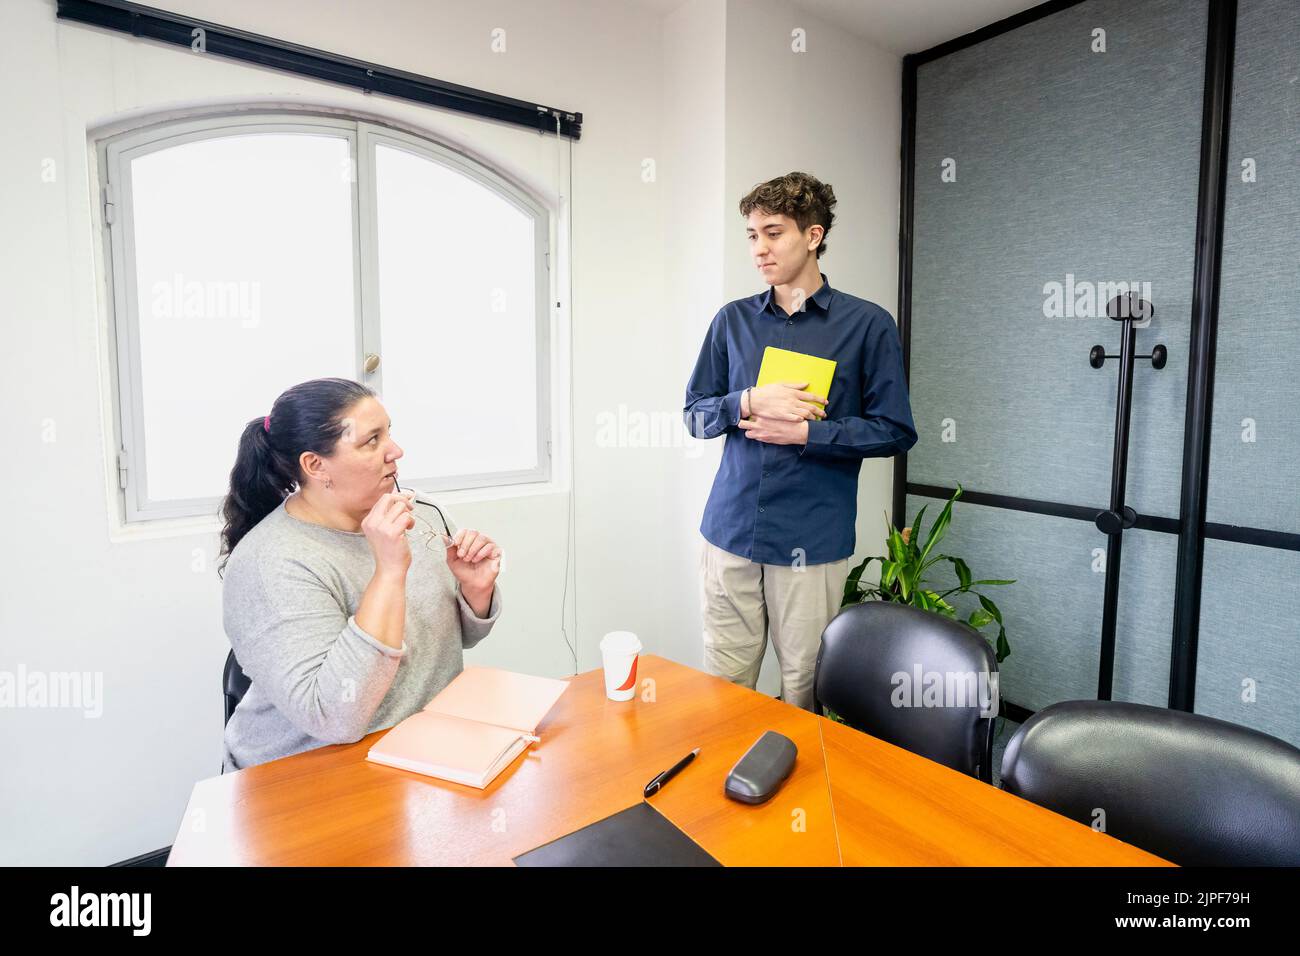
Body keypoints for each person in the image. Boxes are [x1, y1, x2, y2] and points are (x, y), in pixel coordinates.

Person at [683, 171, 917, 711]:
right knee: (724, 692)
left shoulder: (868, 325)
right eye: (751, 235)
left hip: (810, 543)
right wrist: (747, 402)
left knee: (802, 692)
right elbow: (695, 415)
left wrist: (809, 432)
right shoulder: (731, 322)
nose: (759, 248)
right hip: (730, 532)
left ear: (812, 236)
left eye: (773, 232)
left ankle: (798, 797)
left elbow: (895, 430)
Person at [216, 377, 502, 771]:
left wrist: (475, 593)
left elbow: (454, 641)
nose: (396, 451)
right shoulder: (271, 563)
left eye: (390, 434)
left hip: (420, 752)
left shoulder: (423, 516)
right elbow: (336, 717)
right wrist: (388, 572)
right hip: (303, 776)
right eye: (372, 440)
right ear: (315, 465)